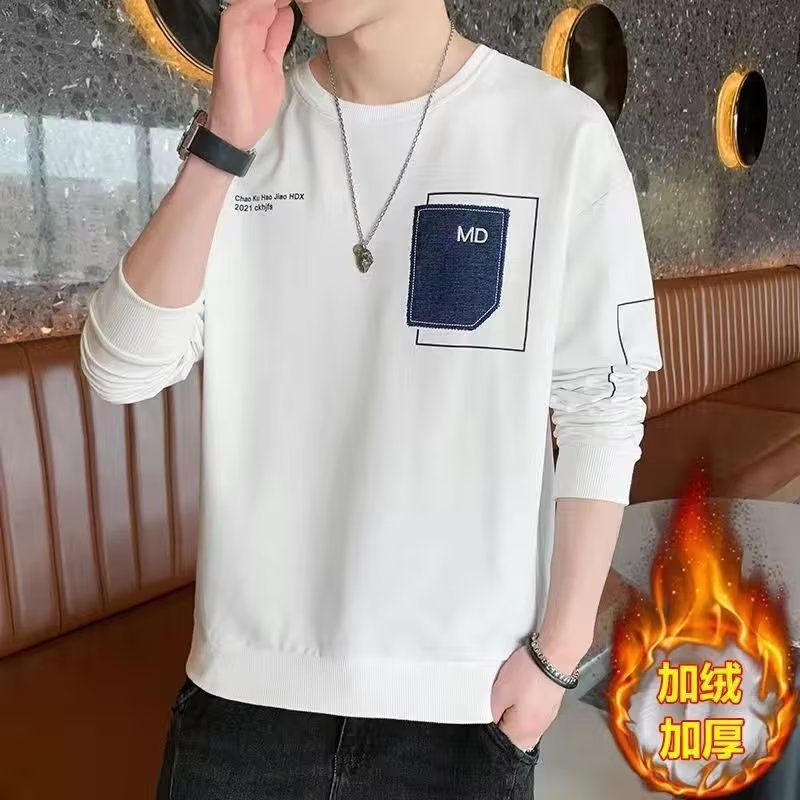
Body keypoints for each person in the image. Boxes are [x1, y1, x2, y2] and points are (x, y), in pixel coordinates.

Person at [80, 0, 662, 796]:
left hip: (467, 704)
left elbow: (602, 404)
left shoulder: (558, 133)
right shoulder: (250, 130)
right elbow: (120, 370)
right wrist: (224, 144)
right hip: (245, 698)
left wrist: (555, 661)